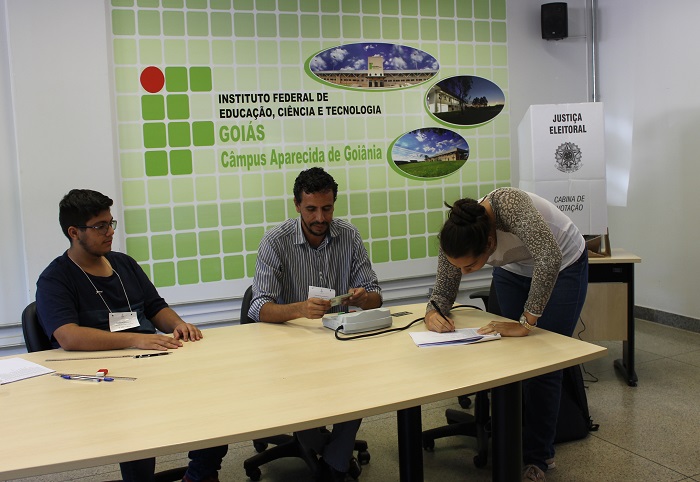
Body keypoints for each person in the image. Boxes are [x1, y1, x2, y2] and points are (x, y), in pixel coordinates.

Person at [35, 189, 228, 482]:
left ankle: (200, 475)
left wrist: (178, 324)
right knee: (137, 422)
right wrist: (136, 339)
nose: (109, 232)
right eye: (100, 226)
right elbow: (68, 336)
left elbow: (155, 307)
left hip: (149, 362)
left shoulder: (124, 263)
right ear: (74, 232)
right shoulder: (55, 278)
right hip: (99, 381)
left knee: (215, 398)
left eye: (111, 223)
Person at [425, 187, 588, 482]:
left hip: (563, 263)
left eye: (472, 266)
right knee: (509, 358)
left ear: (489, 241)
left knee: (543, 361)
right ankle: (512, 438)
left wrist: (526, 323)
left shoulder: (509, 205)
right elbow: (445, 285)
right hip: (514, 269)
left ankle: (539, 456)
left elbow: (549, 257)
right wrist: (434, 311)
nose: (465, 272)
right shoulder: (457, 233)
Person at [248, 167, 382, 481]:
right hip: (290, 349)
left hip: (340, 341)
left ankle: (331, 461)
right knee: (297, 394)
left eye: (327, 208)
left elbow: (376, 295)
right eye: (311, 209)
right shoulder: (275, 241)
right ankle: (334, 457)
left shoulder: (348, 235)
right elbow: (258, 308)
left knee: (364, 382)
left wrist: (363, 298)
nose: (320, 218)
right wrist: (300, 309)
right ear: (297, 206)